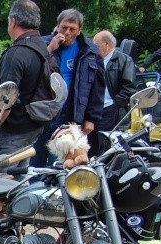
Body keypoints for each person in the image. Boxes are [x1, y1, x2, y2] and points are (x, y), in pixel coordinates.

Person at [31, 8, 104, 167]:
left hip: (69, 115)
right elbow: (30, 73)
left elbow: (97, 88)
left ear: (79, 31)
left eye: (72, 29)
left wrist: (91, 118)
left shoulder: (90, 51)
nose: (67, 32)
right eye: (64, 27)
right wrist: (49, 49)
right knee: (34, 159)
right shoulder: (41, 44)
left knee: (59, 163)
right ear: (57, 26)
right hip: (41, 113)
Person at [0, 0, 46, 167]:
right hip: (31, 126)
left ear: (13, 21)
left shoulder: (17, 53)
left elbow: (6, 96)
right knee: (18, 181)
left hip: (11, 131)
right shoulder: (43, 47)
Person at [92, 30, 137, 153]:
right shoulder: (93, 60)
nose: (94, 48)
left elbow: (130, 87)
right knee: (92, 146)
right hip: (94, 109)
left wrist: (115, 104)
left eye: (96, 44)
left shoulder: (124, 60)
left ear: (106, 44)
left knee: (105, 146)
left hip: (111, 109)